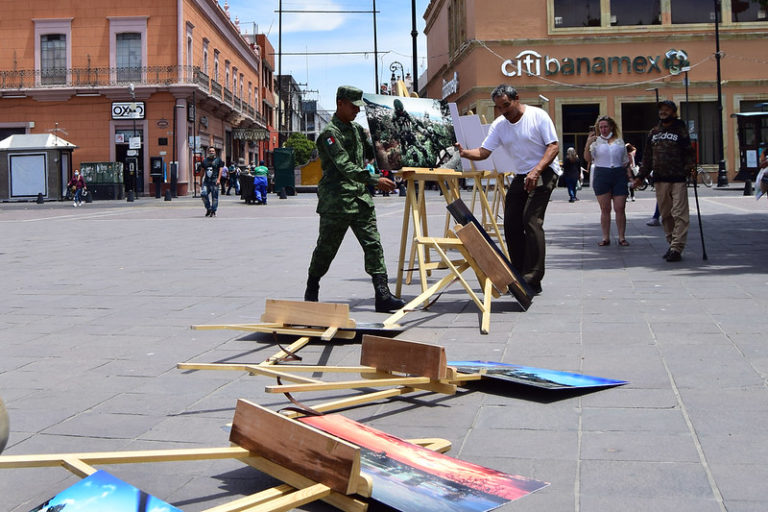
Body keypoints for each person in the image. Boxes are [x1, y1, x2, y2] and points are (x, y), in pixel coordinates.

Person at [304, 85, 405, 313]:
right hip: (337, 201)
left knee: (373, 245)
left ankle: (382, 294)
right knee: (326, 249)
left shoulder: (357, 130)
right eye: (353, 106)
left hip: (360, 200)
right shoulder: (329, 134)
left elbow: (373, 152)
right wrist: (373, 179)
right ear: (340, 103)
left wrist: (388, 141)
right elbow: (344, 166)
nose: (357, 111)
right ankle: (312, 289)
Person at [457, 84, 561, 294]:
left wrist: (537, 171)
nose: (505, 111)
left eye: (506, 105)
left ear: (517, 99)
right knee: (511, 221)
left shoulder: (537, 116)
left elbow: (553, 146)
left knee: (531, 221)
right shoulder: (499, 125)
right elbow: (484, 152)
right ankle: (520, 273)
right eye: (499, 108)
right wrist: (464, 152)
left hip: (545, 171)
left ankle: (533, 274)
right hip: (522, 174)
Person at [633, 100, 696, 262]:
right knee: (666, 215)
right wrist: (640, 176)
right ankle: (671, 243)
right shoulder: (653, 132)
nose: (663, 112)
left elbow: (689, 153)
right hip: (660, 179)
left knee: (680, 214)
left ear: (673, 112)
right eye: (661, 109)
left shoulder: (681, 130)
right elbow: (647, 157)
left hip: (678, 178)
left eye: (667, 109)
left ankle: (677, 247)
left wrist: (690, 170)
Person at [584, 115, 632, 247]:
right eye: (601, 127)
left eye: (605, 126)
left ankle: (622, 237)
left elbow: (625, 161)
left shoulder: (619, 142)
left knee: (620, 207)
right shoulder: (596, 142)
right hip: (602, 173)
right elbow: (587, 158)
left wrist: (630, 176)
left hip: (618, 173)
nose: (603, 129)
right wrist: (588, 142)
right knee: (605, 208)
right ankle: (605, 237)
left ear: (611, 127)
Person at [199, 146, 223, 217]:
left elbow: (220, 170)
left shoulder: (218, 160)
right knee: (203, 194)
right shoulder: (205, 161)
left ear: (215, 152)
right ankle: (208, 208)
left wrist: (218, 179)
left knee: (214, 197)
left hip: (215, 180)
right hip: (206, 181)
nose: (211, 152)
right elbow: (202, 171)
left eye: (212, 151)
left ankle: (213, 210)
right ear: (208, 152)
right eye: (210, 151)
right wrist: (200, 180)